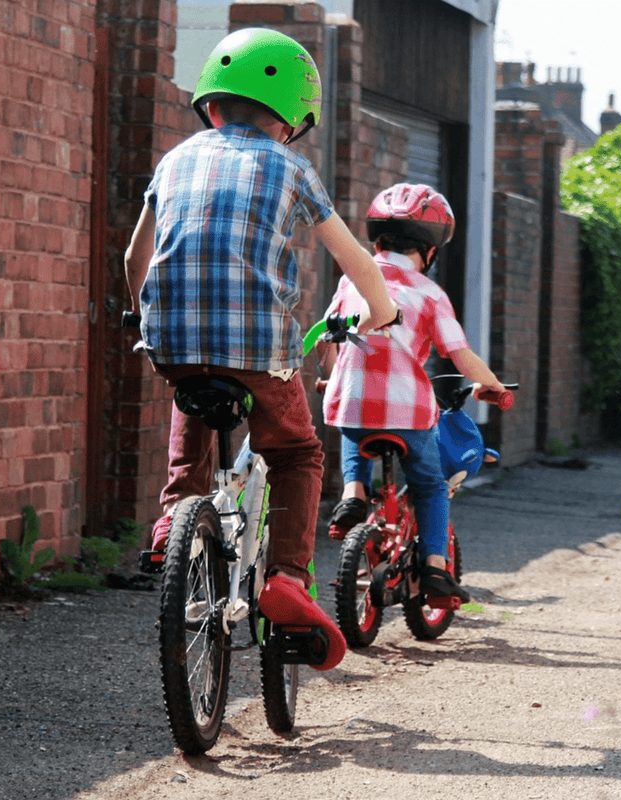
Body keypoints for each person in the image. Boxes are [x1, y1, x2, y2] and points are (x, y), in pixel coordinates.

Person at [123, 28, 398, 670]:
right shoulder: (291, 167)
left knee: (192, 387)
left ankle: (174, 516)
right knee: (298, 452)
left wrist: (141, 312)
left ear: (211, 105)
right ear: (292, 122)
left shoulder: (175, 159)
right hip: (258, 347)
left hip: (172, 338)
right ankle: (288, 578)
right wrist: (383, 311)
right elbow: (354, 259)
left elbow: (135, 255)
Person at [321, 183, 507, 602]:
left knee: (355, 425)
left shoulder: (351, 282)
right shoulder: (429, 293)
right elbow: (459, 355)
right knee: (430, 486)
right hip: (407, 412)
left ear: (378, 241)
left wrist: (331, 378)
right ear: (429, 251)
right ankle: (436, 568)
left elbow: (330, 339)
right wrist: (492, 385)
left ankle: (353, 495)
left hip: (351, 401)